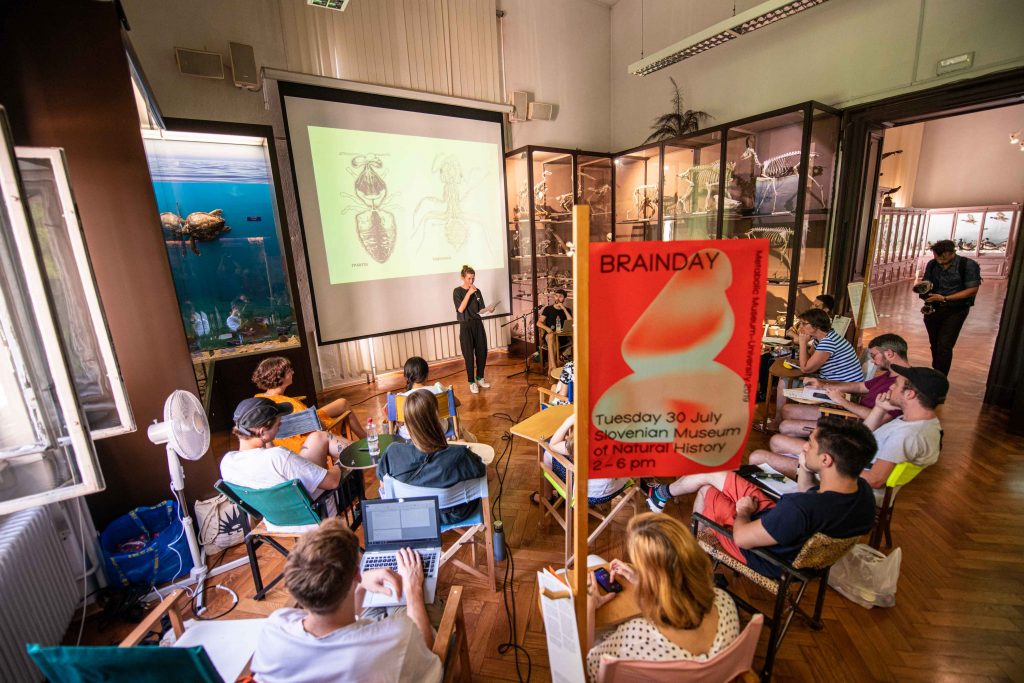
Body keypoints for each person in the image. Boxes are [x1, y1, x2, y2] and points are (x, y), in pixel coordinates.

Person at [643, 417, 876, 579]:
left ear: (826, 460)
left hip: (766, 556)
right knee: (715, 474)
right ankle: (662, 494)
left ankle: (692, 561)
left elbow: (743, 538)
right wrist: (804, 468)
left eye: (811, 444)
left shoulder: (800, 508)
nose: (804, 447)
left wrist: (743, 511)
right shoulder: (863, 494)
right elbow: (807, 496)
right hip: (787, 535)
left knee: (707, 489)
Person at [250, 517, 441, 683]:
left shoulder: (275, 627)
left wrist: (360, 583)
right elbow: (427, 654)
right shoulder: (400, 636)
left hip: (361, 635)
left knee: (383, 601)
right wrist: (413, 589)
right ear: (357, 572)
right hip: (391, 658)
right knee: (412, 601)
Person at [585, 514, 740, 681]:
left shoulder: (635, 637)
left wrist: (589, 607)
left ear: (653, 580)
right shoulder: (724, 602)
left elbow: (588, 669)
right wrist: (642, 580)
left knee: (588, 564)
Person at [220, 397, 346, 533]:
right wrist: (341, 463)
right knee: (347, 464)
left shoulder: (226, 463)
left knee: (318, 437)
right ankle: (367, 451)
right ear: (262, 432)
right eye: (277, 425)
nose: (280, 425)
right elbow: (333, 482)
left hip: (275, 522)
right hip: (317, 516)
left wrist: (267, 440)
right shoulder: (279, 457)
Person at [376, 389, 486, 526]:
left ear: (406, 423)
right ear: (437, 419)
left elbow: (383, 488)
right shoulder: (460, 455)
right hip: (454, 514)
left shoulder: (392, 453)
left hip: (410, 516)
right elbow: (484, 475)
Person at [771, 333, 909, 442]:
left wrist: (842, 402)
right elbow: (860, 387)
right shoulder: (891, 374)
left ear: (889, 354)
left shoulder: (903, 384)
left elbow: (878, 419)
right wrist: (822, 385)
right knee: (787, 409)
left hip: (857, 425)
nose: (873, 361)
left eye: (874, 356)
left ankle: (818, 455)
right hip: (852, 415)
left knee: (785, 427)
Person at [858, 366, 945, 502]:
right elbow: (861, 438)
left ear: (909, 394)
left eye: (896, 384)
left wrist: (834, 467)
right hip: (856, 469)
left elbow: (875, 480)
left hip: (856, 491)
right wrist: (879, 408)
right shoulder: (915, 421)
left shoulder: (908, 434)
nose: (891, 387)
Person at [252, 356, 366, 447]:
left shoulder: (258, 400)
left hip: (282, 440)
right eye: (288, 371)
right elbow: (318, 426)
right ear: (279, 377)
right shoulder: (292, 405)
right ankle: (365, 440)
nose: (292, 372)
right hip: (305, 437)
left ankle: (363, 438)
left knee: (342, 403)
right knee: (343, 408)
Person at [920, 239, 982, 375]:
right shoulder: (932, 264)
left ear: (949, 253)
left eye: (940, 256)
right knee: (935, 344)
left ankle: (941, 377)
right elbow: (926, 282)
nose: (937, 259)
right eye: (935, 256)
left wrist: (945, 298)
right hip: (934, 308)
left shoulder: (967, 265)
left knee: (945, 345)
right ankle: (936, 372)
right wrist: (924, 292)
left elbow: (972, 289)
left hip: (956, 309)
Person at [534, 413, 625, 505]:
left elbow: (552, 445)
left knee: (547, 453)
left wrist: (567, 422)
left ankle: (547, 496)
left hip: (591, 495)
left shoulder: (583, 441)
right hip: (618, 485)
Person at [390, 356, 474, 442]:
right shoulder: (439, 389)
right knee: (452, 416)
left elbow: (389, 413)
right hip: (438, 431)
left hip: (410, 435)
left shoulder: (399, 398)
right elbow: (456, 403)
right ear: (427, 375)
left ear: (406, 377)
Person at [453, 265, 497, 394]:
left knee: (482, 352)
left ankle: (480, 378)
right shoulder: (457, 291)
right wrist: (469, 293)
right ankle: (471, 382)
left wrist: (489, 309)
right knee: (469, 356)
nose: (471, 281)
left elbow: (479, 310)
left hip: (478, 324)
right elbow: (460, 309)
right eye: (469, 278)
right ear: (463, 278)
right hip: (465, 325)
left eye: (473, 278)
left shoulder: (477, 291)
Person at [537, 289, 573, 371]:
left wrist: (563, 308)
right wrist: (547, 328)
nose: (558, 298)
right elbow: (538, 323)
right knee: (551, 336)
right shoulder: (548, 309)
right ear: (554, 297)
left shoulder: (567, 310)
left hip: (562, 337)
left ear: (564, 299)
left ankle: (551, 369)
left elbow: (570, 321)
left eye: (560, 296)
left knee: (554, 344)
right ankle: (554, 366)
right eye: (556, 296)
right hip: (549, 335)